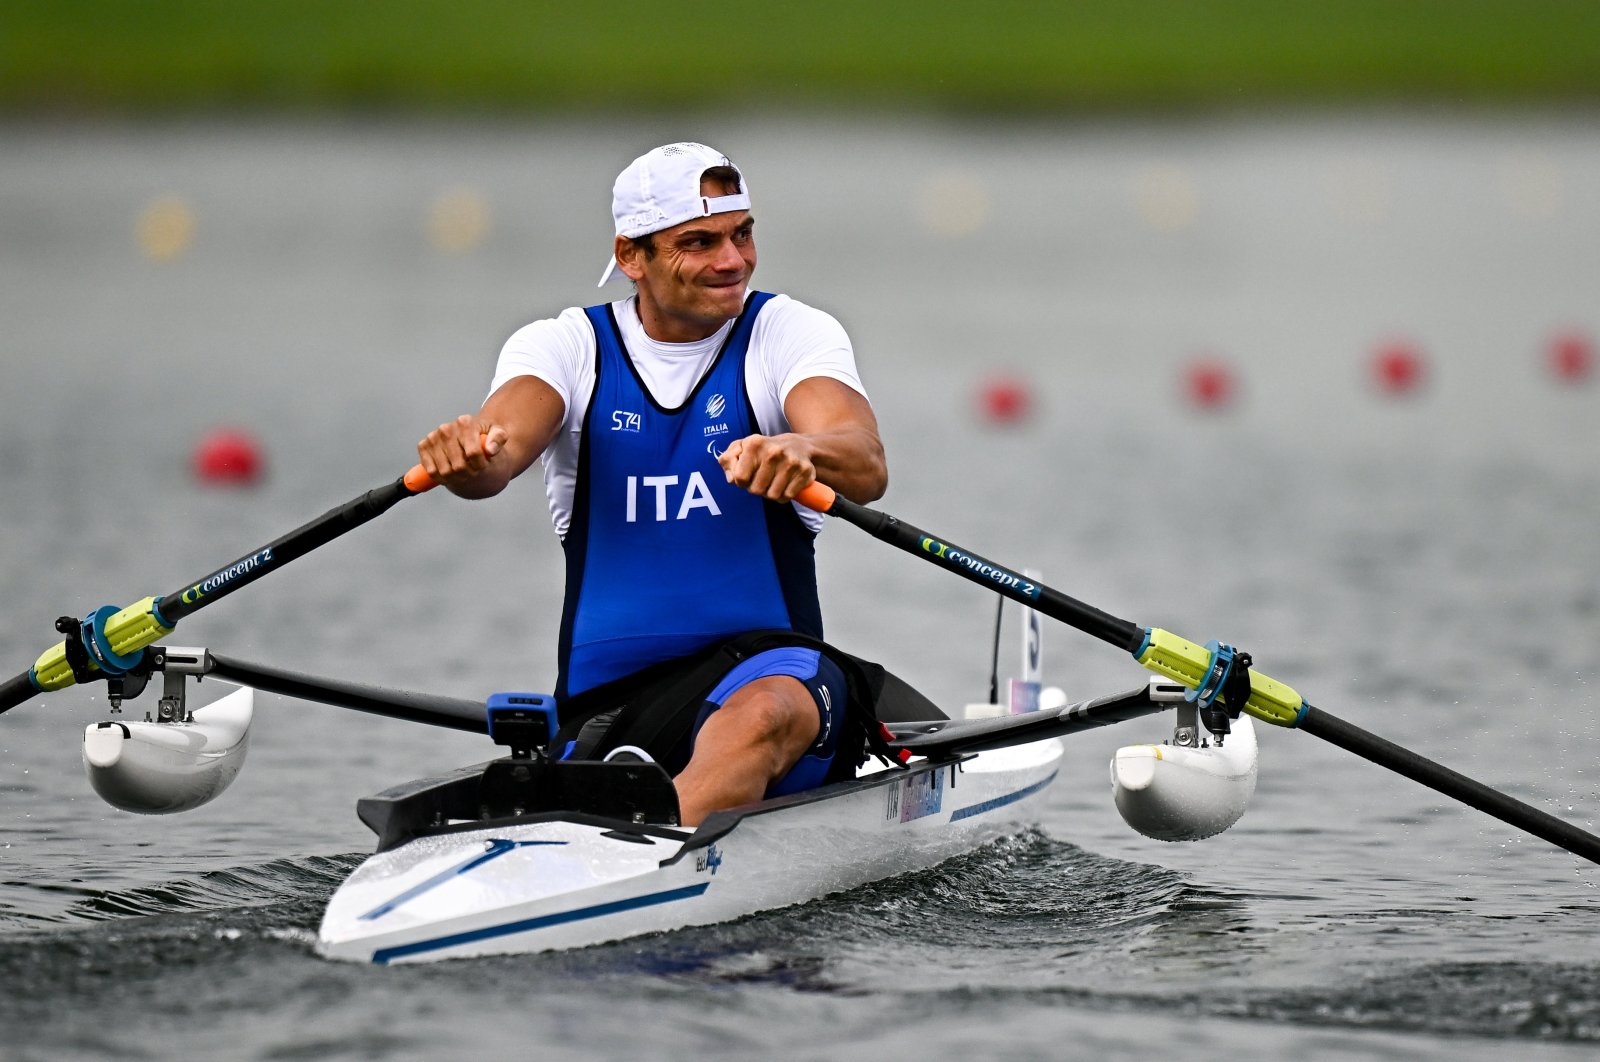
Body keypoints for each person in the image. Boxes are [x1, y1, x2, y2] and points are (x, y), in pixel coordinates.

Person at [416, 142, 888, 826]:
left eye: (742, 234)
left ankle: (644, 853)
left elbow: (864, 460)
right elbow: (497, 454)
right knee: (628, 751)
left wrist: (803, 449)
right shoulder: (566, 347)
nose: (733, 260)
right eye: (699, 242)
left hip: (779, 682)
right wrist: (467, 458)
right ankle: (651, 812)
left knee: (766, 712)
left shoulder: (785, 333)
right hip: (611, 710)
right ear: (632, 256)